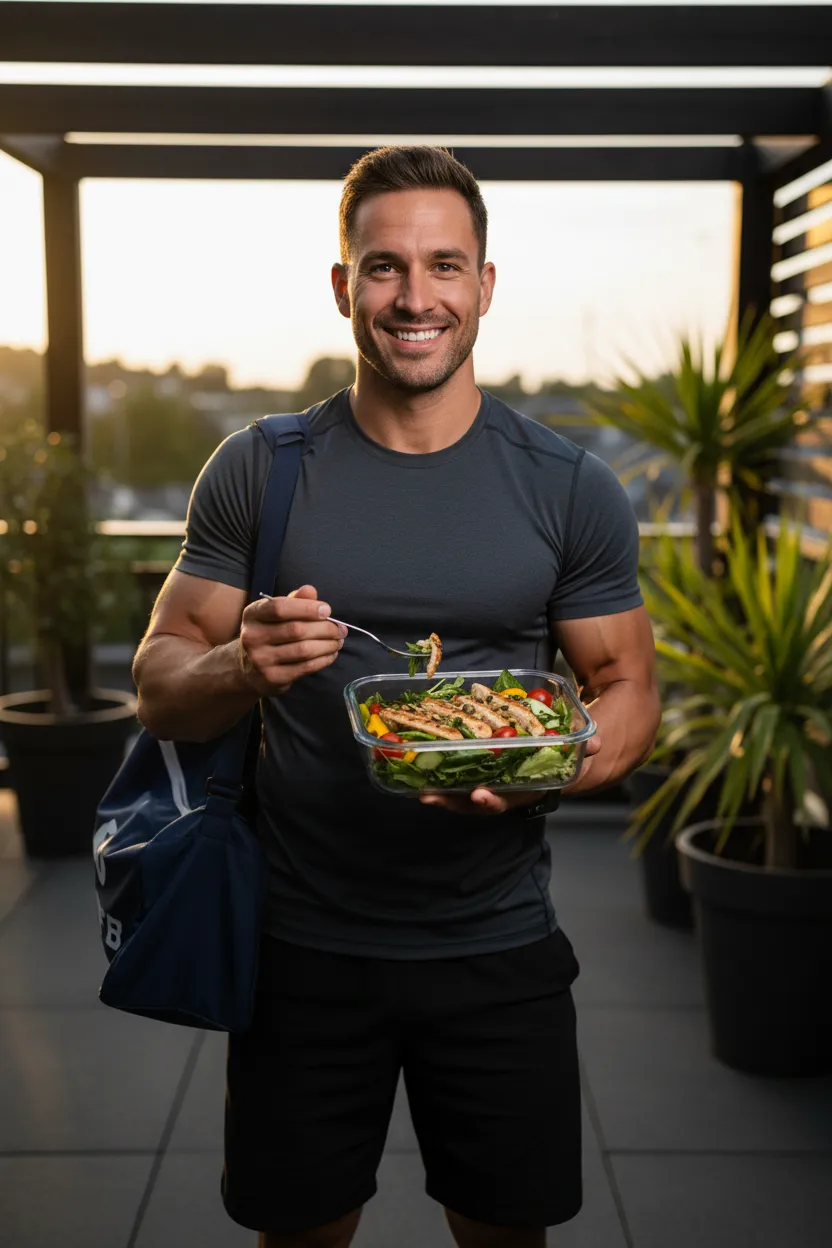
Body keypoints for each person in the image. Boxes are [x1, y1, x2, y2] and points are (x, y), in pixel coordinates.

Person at [133, 145, 661, 1248]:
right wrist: (239, 665)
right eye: (383, 267)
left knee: (506, 1234)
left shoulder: (568, 487)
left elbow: (624, 691)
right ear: (342, 286)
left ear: (484, 286)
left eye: (443, 267)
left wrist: (543, 761)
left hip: (497, 945)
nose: (414, 298)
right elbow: (157, 685)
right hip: (299, 946)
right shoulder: (259, 469)